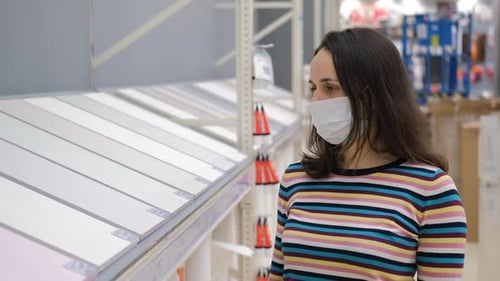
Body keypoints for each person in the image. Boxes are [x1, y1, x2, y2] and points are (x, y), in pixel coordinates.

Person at [270, 28, 467, 281]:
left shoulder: (431, 191)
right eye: (313, 88)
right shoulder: (295, 179)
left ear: (374, 96)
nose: (316, 100)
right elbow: (278, 274)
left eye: (330, 88)